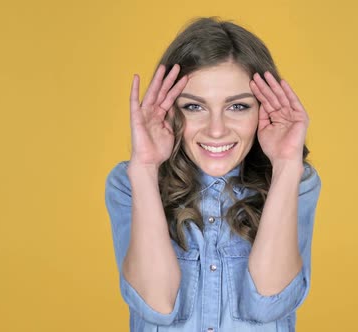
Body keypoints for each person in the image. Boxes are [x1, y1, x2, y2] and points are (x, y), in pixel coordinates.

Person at [105, 17, 322, 332]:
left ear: (264, 109)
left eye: (238, 107)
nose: (216, 130)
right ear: (169, 110)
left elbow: (268, 304)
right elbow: (156, 305)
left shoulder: (296, 183)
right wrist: (145, 168)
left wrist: (287, 163)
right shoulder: (128, 183)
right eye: (194, 107)